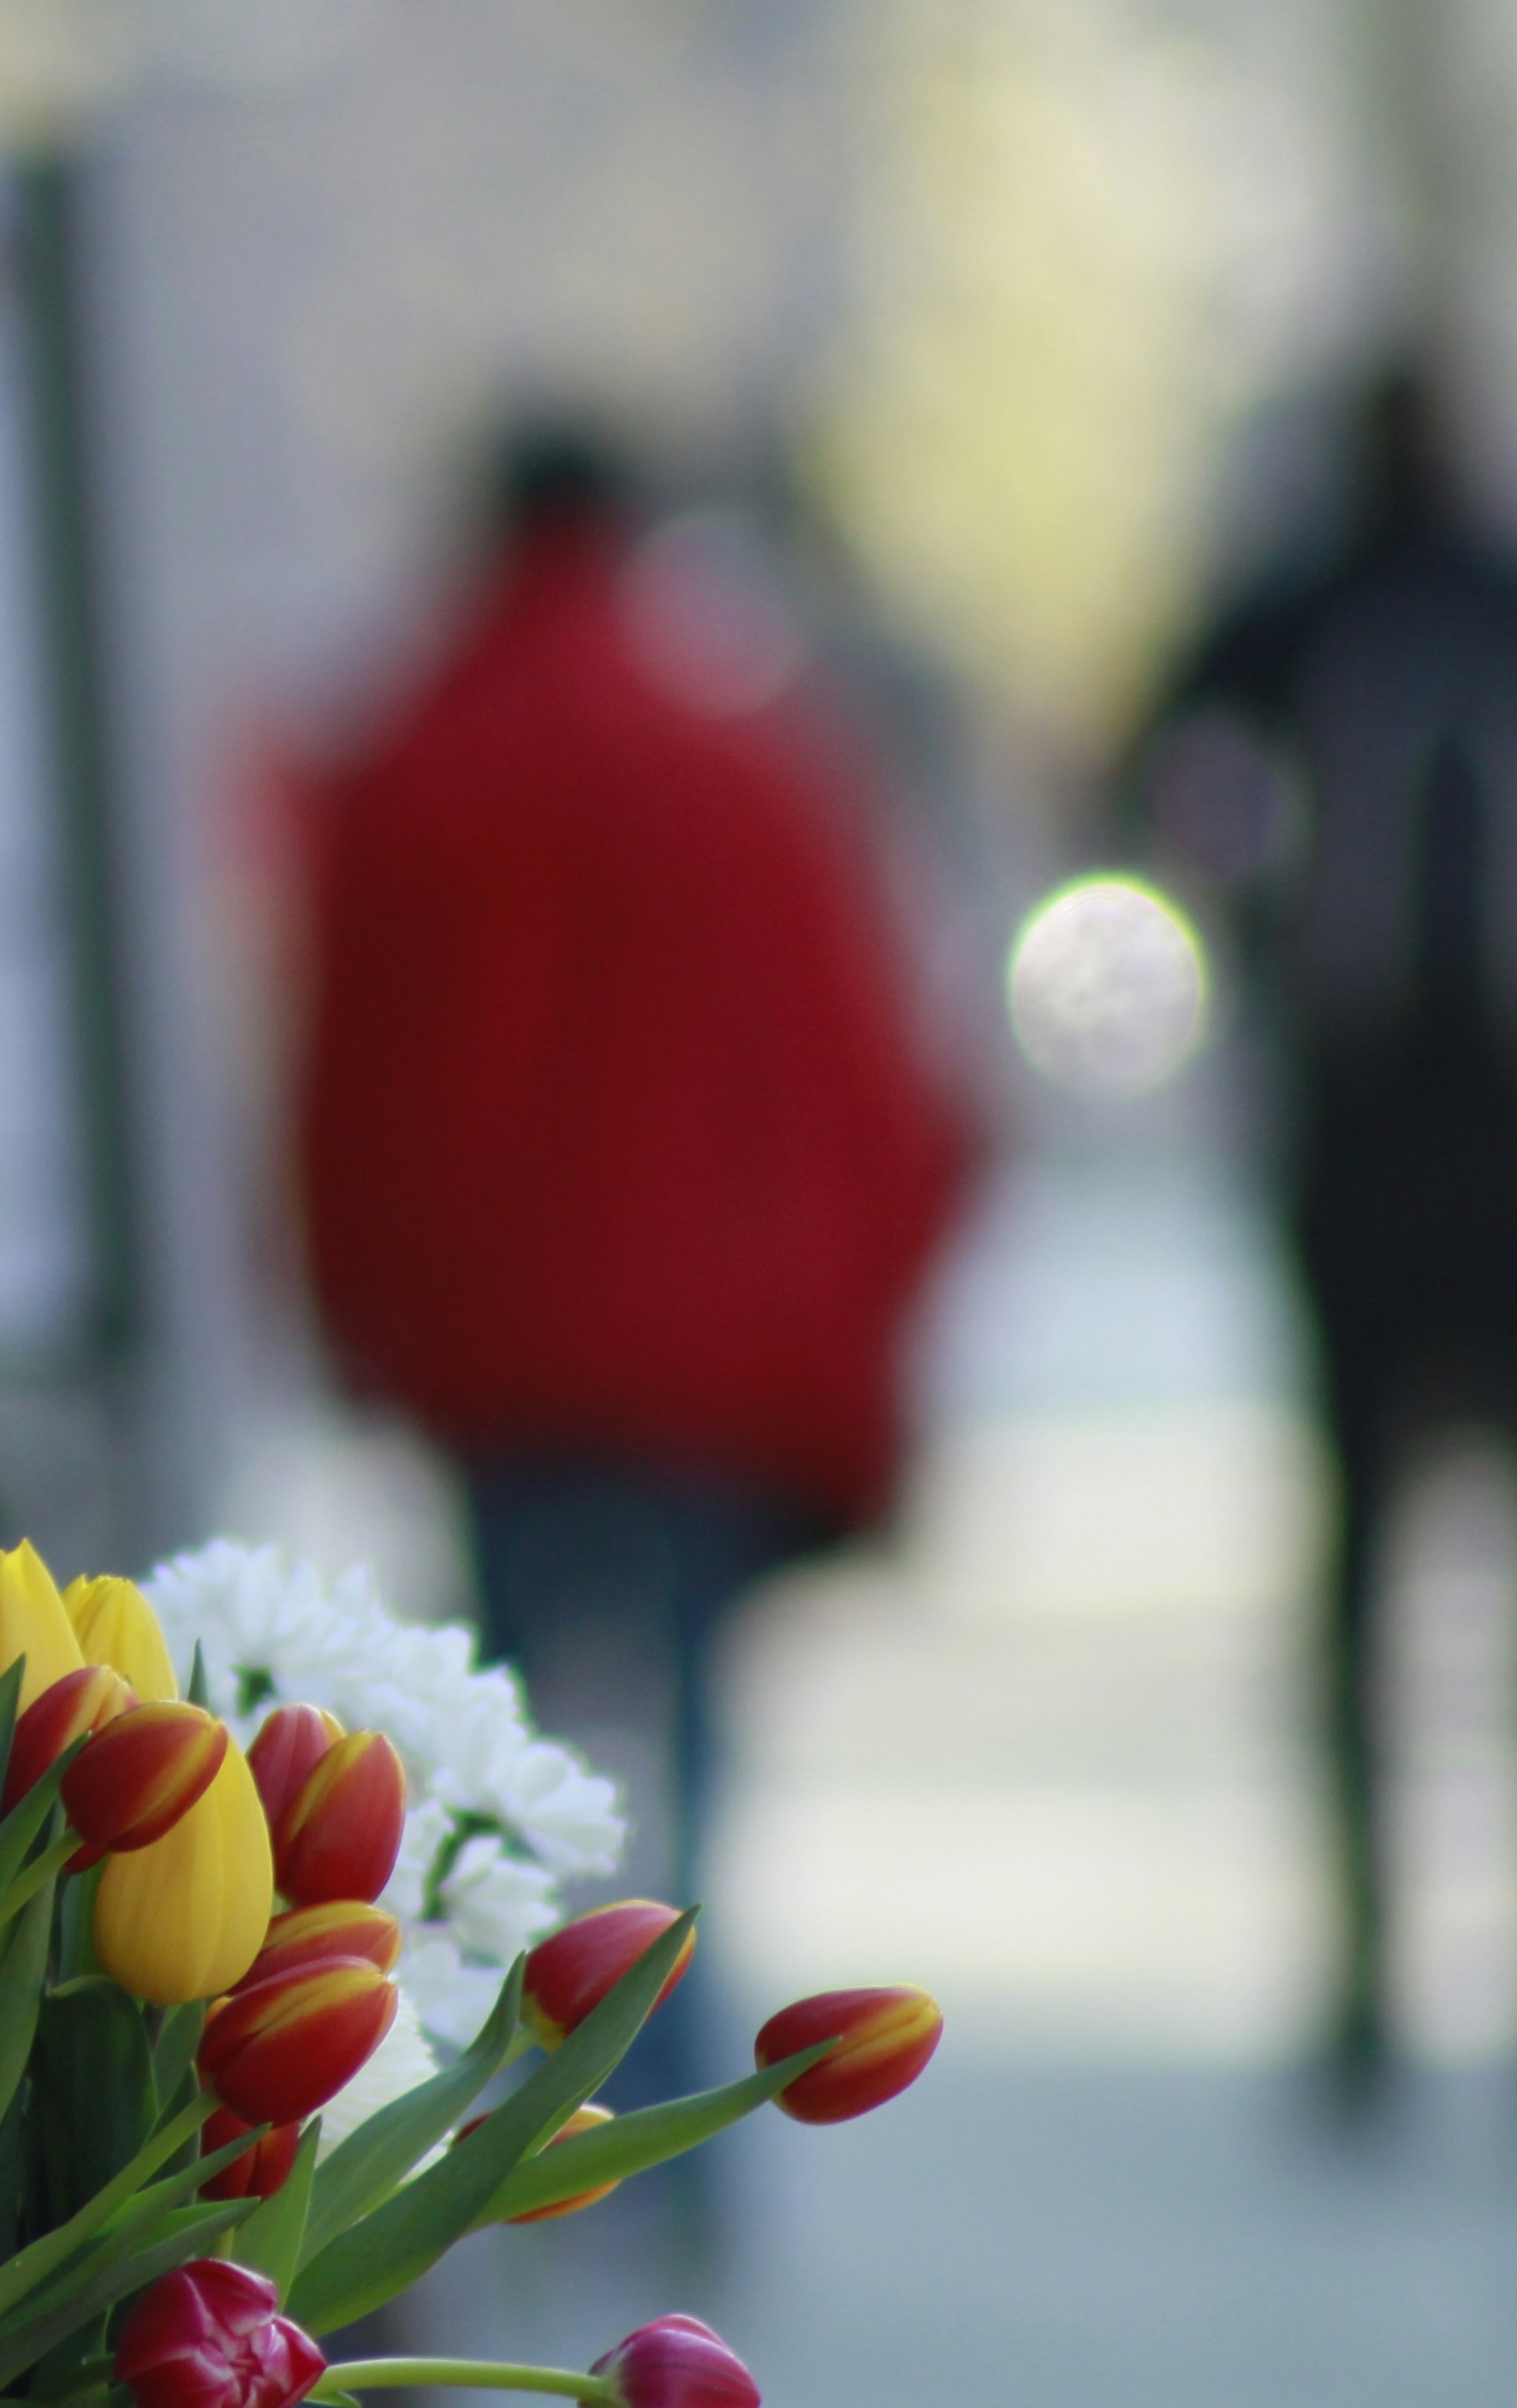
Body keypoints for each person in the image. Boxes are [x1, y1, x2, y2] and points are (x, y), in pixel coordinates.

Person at [291, 413, 973, 2112]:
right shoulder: (750, 762)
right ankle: (677, 2142)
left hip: (502, 1361)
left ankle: (550, 2126)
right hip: (718, 1376)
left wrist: (356, 1318)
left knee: (517, 1762)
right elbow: (883, 1082)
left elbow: (353, 1090)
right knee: (677, 1751)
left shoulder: (414, 760)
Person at [1133, 350, 1517, 2101]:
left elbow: (1152, 758)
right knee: (1385, 1574)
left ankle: (1367, 1974)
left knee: (1360, 1578)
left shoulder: (1314, 601)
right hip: (1436, 1147)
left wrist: (1240, 913)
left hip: (1363, 1152)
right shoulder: (1443, 594)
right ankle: (1371, 1973)